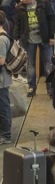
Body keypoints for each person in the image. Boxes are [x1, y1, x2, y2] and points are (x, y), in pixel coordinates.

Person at [14, 0, 55, 97]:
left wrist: (52, 36)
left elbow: (52, 19)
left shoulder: (44, 3)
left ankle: (50, 88)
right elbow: (17, 24)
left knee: (48, 64)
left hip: (45, 38)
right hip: (28, 40)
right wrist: (16, 38)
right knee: (29, 65)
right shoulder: (20, 7)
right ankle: (31, 87)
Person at [0, 11, 11, 144]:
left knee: (4, 107)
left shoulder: (2, 39)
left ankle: (6, 135)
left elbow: (1, 61)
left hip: (2, 80)